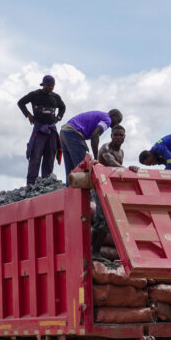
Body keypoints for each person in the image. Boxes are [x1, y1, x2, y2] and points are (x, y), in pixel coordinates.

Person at [18, 75, 66, 185]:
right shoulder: (35, 95)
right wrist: (28, 115)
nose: (50, 88)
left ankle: (47, 181)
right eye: (48, 85)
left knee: (50, 155)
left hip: (51, 130)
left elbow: (63, 107)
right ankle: (31, 183)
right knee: (35, 155)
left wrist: (58, 117)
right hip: (39, 129)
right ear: (43, 84)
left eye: (52, 86)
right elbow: (20, 102)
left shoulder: (55, 97)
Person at [60, 109, 123, 184]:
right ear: (113, 115)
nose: (117, 124)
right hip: (73, 133)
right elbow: (95, 136)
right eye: (118, 120)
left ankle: (69, 192)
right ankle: (83, 194)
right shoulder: (107, 120)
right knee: (83, 168)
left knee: (70, 169)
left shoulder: (101, 115)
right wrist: (96, 158)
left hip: (64, 132)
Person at [91, 125, 127, 255]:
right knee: (103, 220)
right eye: (115, 135)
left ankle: (94, 252)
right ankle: (94, 252)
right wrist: (128, 170)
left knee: (101, 222)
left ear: (124, 137)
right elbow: (111, 164)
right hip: (99, 187)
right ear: (111, 136)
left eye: (120, 135)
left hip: (110, 189)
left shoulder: (121, 152)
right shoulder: (105, 149)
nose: (118, 137)